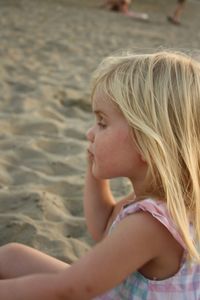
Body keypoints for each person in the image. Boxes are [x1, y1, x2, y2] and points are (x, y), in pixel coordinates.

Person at [0, 50, 200, 299]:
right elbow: (104, 227)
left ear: (148, 144)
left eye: (102, 123)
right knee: (12, 256)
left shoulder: (150, 224)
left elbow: (70, 289)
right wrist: (95, 171)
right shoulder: (161, 198)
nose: (90, 133)